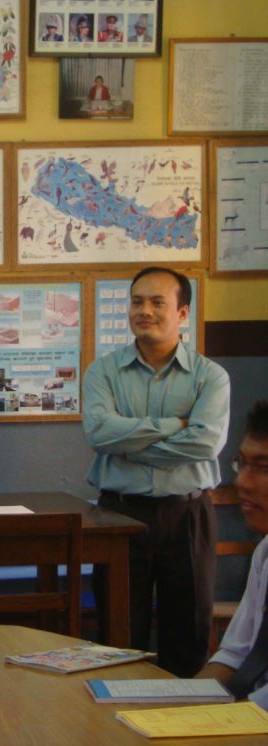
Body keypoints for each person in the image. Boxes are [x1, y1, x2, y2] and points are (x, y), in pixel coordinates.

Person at [83, 266, 230, 677]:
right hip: (119, 515)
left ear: (182, 313)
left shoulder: (210, 376)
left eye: (156, 302)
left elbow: (206, 443)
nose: (144, 311)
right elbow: (98, 433)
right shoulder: (103, 372)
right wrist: (174, 426)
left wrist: (131, 447)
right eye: (137, 302)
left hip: (188, 515)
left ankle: (181, 716)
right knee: (117, 639)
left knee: (187, 634)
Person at [196, 401, 268, 708]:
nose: (242, 482)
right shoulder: (265, 553)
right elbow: (235, 656)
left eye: (263, 468)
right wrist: (174, 705)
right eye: (242, 464)